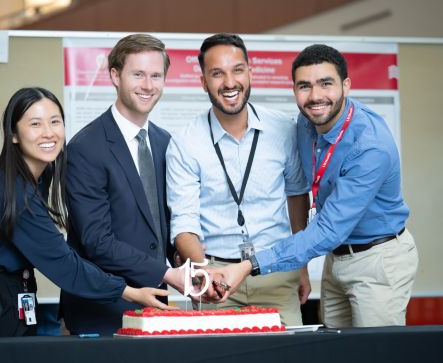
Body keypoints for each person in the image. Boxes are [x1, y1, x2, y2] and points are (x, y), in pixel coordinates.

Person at [216, 44, 418, 328]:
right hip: (335, 260)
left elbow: (328, 229)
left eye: (326, 84)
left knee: (375, 352)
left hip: (378, 259)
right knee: (334, 351)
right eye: (304, 86)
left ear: (346, 85)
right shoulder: (306, 123)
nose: (315, 96)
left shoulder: (370, 146)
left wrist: (251, 264)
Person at [0, 87, 175, 338]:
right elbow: (62, 262)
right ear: (14, 134)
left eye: (55, 122)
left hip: (18, 295)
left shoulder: (37, 177)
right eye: (35, 124)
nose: (48, 133)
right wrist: (129, 291)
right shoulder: (13, 191)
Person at [165, 33, 311, 326]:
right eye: (217, 73)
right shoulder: (185, 142)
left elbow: (297, 196)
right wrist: (206, 274)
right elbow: (184, 223)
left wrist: (302, 265)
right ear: (204, 82)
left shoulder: (284, 129)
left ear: (250, 72)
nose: (230, 82)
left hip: (276, 272)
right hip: (217, 279)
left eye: (237, 70)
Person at [61, 34, 188, 336]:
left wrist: (185, 258)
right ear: (115, 76)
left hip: (155, 307)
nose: (148, 85)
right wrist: (167, 273)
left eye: (156, 76)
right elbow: (96, 240)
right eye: (138, 74)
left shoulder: (164, 142)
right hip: (101, 311)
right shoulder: (85, 148)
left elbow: (159, 225)